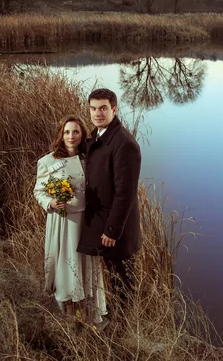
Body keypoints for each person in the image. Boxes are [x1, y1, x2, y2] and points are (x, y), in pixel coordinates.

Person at [33, 114, 107, 324]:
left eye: (75, 131)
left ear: (82, 133)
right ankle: (67, 310)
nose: (71, 136)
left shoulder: (90, 159)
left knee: (85, 264)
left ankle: (87, 313)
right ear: (61, 134)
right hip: (62, 222)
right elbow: (39, 191)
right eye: (66, 132)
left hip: (86, 221)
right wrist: (50, 203)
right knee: (66, 262)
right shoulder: (47, 161)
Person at [77, 88, 142, 310]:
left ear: (114, 110)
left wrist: (113, 230)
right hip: (102, 222)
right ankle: (109, 318)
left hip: (116, 230)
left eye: (103, 108)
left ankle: (125, 330)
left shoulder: (125, 144)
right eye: (93, 109)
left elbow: (126, 193)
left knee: (122, 281)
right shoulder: (97, 136)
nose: (98, 113)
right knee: (112, 279)